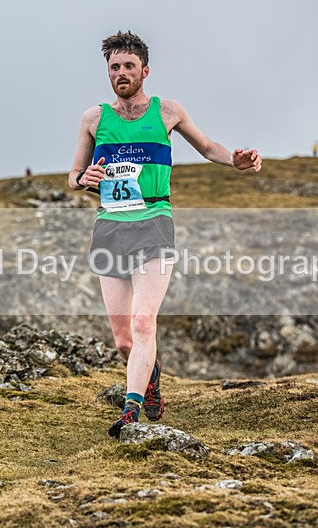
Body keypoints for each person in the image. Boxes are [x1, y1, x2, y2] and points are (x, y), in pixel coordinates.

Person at [69, 31, 261, 438]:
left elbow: (208, 147)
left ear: (145, 70)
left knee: (143, 322)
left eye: (128, 67)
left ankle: (131, 411)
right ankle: (151, 376)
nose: (121, 74)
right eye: (114, 68)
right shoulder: (93, 118)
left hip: (154, 222)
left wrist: (236, 161)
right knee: (124, 341)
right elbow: (74, 175)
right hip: (110, 227)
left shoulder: (167, 110)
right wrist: (83, 179)